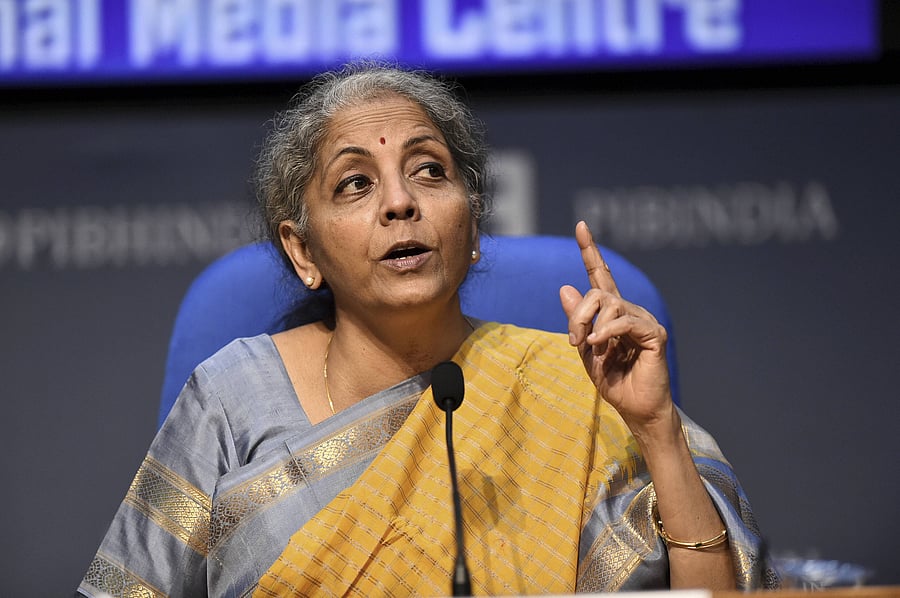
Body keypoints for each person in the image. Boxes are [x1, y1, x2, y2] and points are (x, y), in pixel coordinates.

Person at [77, 62, 779, 597]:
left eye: (429, 171)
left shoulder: (576, 385)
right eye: (355, 183)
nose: (401, 203)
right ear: (303, 251)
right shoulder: (230, 395)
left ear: (472, 228)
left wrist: (655, 429)